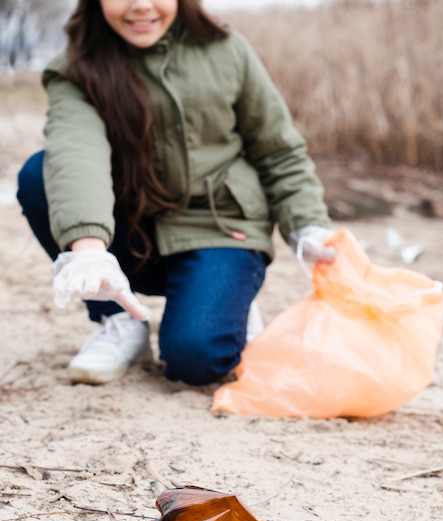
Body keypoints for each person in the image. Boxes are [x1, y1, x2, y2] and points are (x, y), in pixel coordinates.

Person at [17, 0, 335, 387]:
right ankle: (118, 320)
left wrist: (308, 225)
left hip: (219, 226)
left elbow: (278, 149)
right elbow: (76, 153)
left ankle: (227, 298)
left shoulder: (227, 50)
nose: (141, 6)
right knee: (40, 173)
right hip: (134, 229)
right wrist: (89, 251)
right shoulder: (76, 69)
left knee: (196, 361)